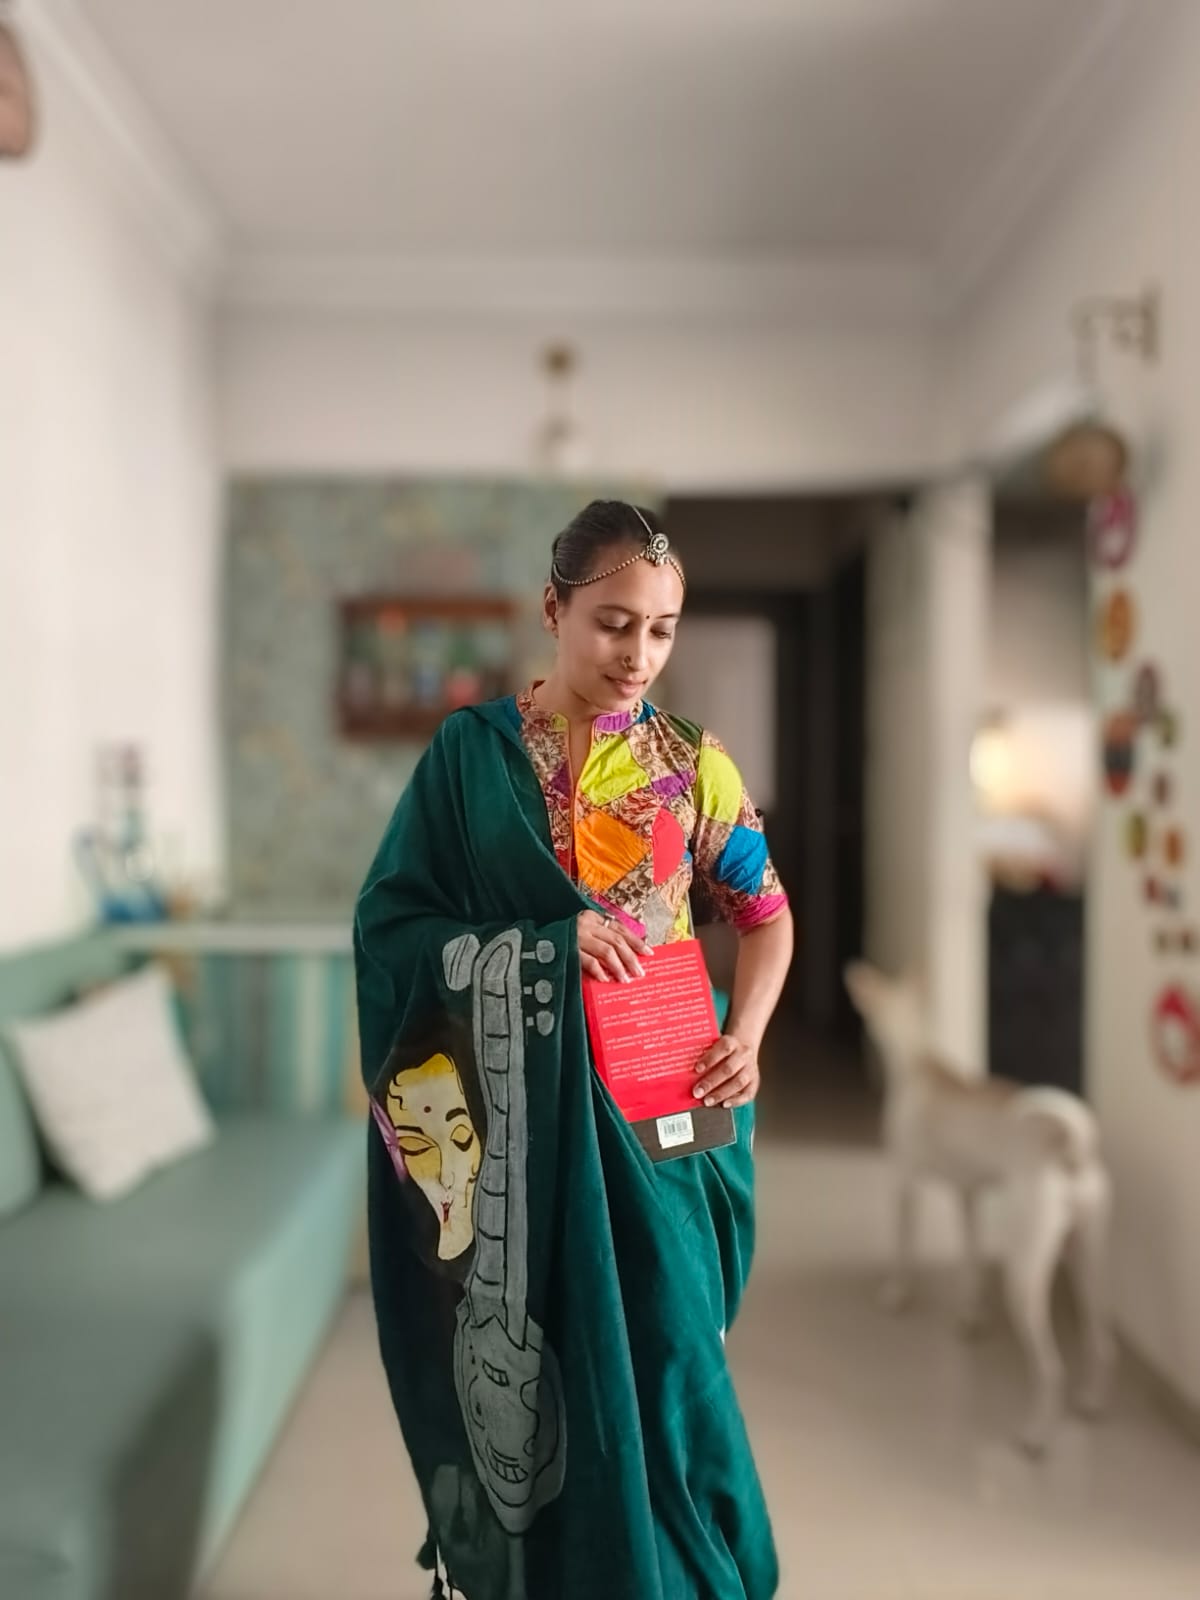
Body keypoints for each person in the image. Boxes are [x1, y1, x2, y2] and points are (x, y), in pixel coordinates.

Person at [355, 500, 793, 1600]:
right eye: (613, 622)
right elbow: (392, 927)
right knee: (544, 1378)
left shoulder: (692, 763)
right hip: (526, 1129)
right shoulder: (473, 757)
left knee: (677, 1363)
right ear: (553, 611)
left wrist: (745, 1035)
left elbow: (767, 916)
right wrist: (540, 946)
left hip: (671, 1107)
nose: (638, 654)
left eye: (662, 629)